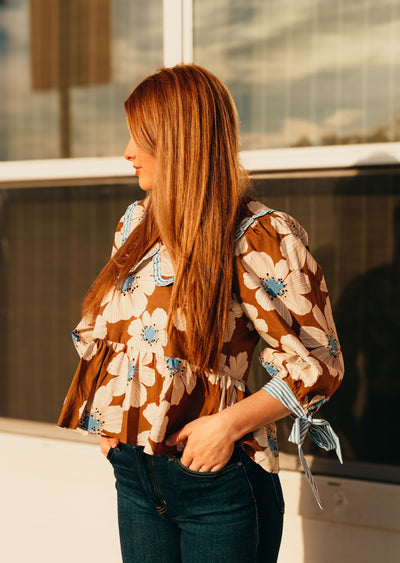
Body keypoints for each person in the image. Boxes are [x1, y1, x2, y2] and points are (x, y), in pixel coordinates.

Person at [57, 64, 344, 563]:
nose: (127, 154)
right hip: (136, 474)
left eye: (140, 139)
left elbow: (317, 362)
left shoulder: (258, 235)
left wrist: (225, 427)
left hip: (217, 481)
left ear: (183, 143)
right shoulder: (136, 223)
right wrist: (111, 429)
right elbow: (112, 334)